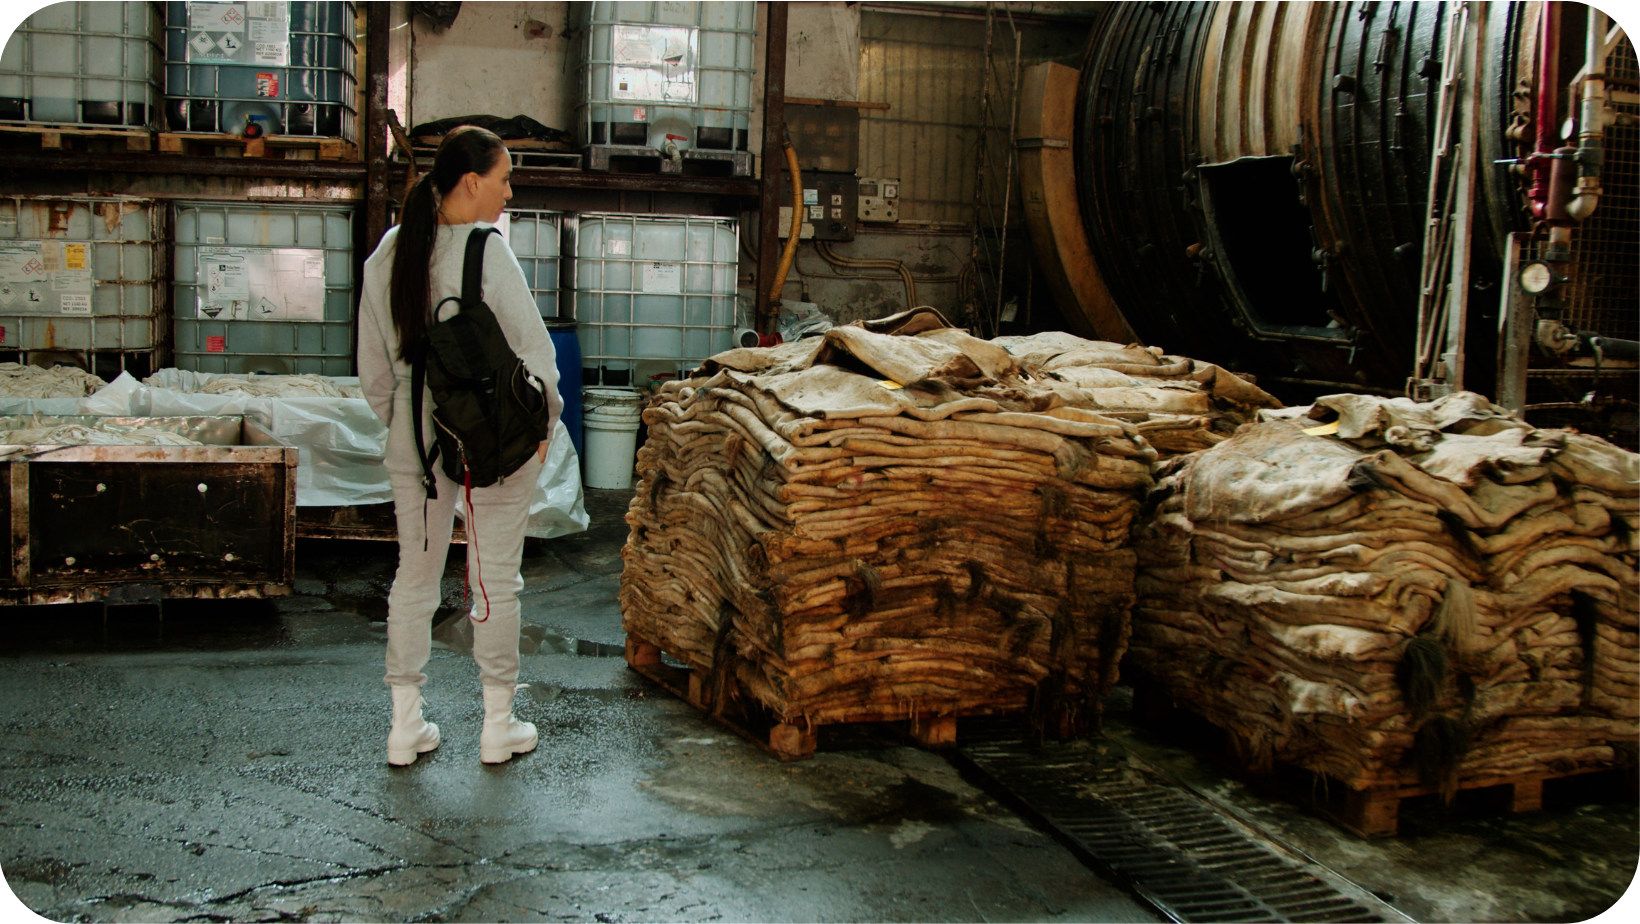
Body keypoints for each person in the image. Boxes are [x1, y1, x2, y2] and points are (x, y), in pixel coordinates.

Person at [357, 125, 562, 766]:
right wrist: (543, 429)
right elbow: (537, 358)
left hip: (412, 449)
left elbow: (375, 378)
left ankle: (404, 726)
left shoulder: (387, 256)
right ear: (471, 182)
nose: (508, 193)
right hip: (493, 447)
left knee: (413, 582)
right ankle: (498, 727)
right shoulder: (488, 252)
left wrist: (406, 427)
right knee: (495, 581)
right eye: (504, 180)